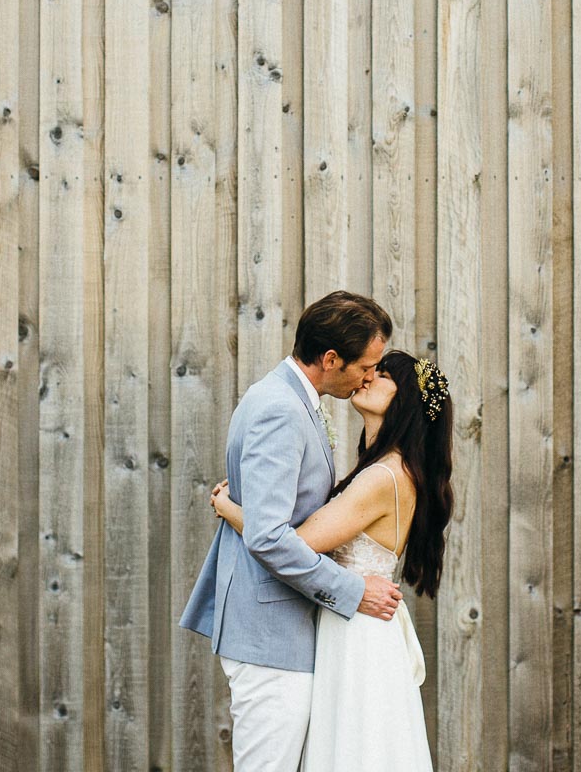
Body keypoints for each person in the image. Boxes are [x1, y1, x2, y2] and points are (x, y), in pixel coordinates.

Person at [177, 291, 406, 771]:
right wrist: (352, 589)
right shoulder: (280, 408)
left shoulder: (288, 398)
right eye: (366, 365)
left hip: (284, 631)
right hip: (269, 633)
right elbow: (268, 537)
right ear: (330, 358)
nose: (370, 376)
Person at [209, 346, 453, 771]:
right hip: (353, 623)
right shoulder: (382, 470)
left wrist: (229, 508)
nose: (368, 377)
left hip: (357, 631)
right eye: (369, 369)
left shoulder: (382, 477)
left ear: (405, 400)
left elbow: (295, 543)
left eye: (383, 374)